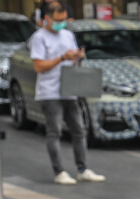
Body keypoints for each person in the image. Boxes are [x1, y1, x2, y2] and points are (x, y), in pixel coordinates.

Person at [29, 1, 104, 185]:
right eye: (58, 20)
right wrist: (62, 57)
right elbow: (38, 66)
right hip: (49, 92)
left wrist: (76, 58)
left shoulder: (68, 35)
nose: (62, 23)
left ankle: (82, 169)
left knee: (79, 130)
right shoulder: (39, 38)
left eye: (64, 19)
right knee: (54, 132)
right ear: (47, 18)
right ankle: (59, 171)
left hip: (70, 89)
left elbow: (73, 63)